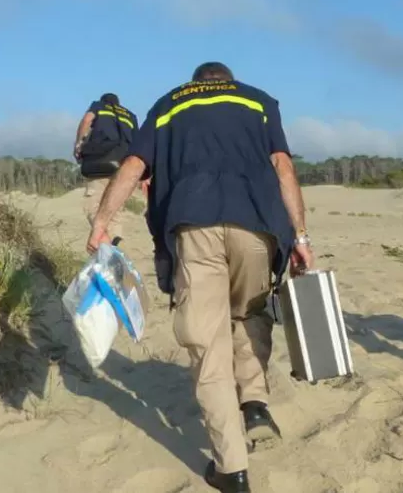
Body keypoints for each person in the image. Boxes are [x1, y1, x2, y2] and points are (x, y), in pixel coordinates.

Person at [86, 62, 313, 492]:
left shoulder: (169, 104)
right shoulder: (258, 100)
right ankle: (255, 402)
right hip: (257, 225)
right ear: (227, 81)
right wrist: (300, 235)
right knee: (251, 311)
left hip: (195, 225)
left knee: (208, 344)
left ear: (196, 84)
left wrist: (102, 221)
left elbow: (134, 164)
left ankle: (232, 468)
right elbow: (283, 165)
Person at [74, 93, 140, 243]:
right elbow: (138, 141)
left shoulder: (99, 106)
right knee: (115, 209)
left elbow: (87, 120)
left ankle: (105, 245)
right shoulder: (130, 115)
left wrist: (78, 144)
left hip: (99, 164)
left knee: (93, 207)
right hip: (124, 167)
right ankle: (115, 244)